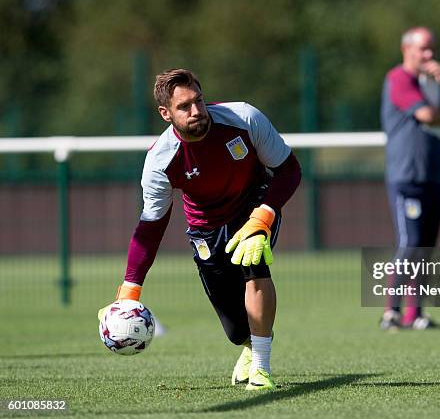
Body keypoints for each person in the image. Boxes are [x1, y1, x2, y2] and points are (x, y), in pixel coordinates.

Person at [98, 68, 301, 390]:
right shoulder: (160, 161)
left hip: (254, 205)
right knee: (235, 329)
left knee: (254, 266)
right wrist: (129, 291)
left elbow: (289, 170)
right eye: (184, 107)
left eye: (199, 101)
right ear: (165, 113)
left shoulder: (244, 118)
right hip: (205, 227)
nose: (196, 112)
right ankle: (248, 344)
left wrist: (263, 217)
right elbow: (151, 227)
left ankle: (262, 368)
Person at [380, 27, 440, 330]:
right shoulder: (399, 79)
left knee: (426, 246)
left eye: (432, 49)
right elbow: (428, 116)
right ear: (407, 49)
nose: (429, 55)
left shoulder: (432, 82)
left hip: (434, 175)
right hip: (407, 176)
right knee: (411, 242)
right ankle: (391, 311)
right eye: (423, 49)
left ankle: (415, 314)